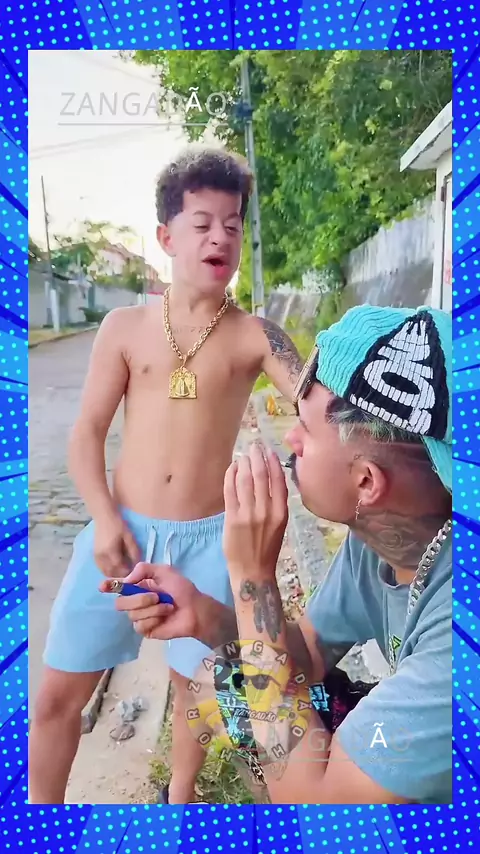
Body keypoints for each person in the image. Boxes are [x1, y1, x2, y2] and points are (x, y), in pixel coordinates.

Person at [29, 146, 305, 805]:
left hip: (211, 543)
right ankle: (40, 819)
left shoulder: (255, 336)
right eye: (202, 223)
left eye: (232, 225)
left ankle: (179, 800)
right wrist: (102, 518)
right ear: (166, 236)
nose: (220, 238)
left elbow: (316, 398)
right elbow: (86, 434)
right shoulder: (123, 328)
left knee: (195, 692)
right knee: (56, 696)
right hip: (121, 537)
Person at [112, 304, 453, 804]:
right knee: (227, 681)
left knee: (296, 771)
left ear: (366, 482)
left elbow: (313, 799)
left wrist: (252, 575)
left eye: (306, 430)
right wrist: (206, 616)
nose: (290, 439)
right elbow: (307, 655)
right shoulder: (379, 542)